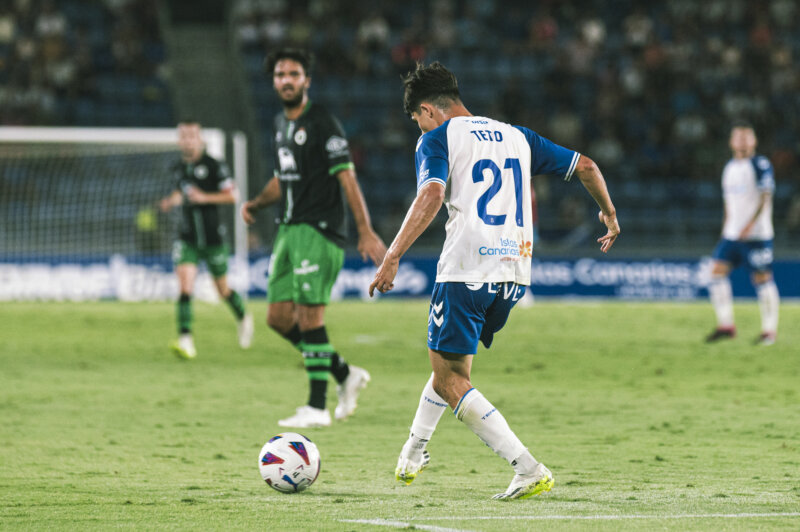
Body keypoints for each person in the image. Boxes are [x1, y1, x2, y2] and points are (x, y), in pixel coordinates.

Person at [369, 62, 620, 499]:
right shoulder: (518, 136)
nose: (418, 129)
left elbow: (430, 193)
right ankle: (414, 450)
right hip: (514, 273)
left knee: (450, 378)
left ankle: (526, 467)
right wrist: (610, 214)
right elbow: (587, 166)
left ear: (428, 111)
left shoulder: (437, 138)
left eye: (416, 120)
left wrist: (392, 256)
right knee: (451, 367)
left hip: (465, 268)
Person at [242, 48, 387, 428]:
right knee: (277, 318)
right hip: (288, 230)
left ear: (307, 80)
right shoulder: (279, 123)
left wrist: (365, 230)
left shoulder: (323, 122)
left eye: (293, 74)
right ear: (273, 81)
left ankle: (317, 407)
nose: (286, 80)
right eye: (279, 74)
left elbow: (347, 177)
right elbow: (282, 177)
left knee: (309, 318)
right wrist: (257, 204)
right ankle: (344, 374)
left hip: (318, 230)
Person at [159, 120, 253, 359]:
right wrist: (172, 201)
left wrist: (204, 197)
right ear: (180, 140)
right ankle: (186, 339)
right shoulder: (178, 168)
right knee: (185, 286)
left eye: (192, 135)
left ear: (200, 139)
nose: (188, 140)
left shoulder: (214, 165)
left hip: (212, 238)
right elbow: (182, 192)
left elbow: (233, 196)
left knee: (222, 290)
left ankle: (243, 316)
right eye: (183, 136)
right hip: (188, 237)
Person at [706, 122, 780, 345]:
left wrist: (750, 224)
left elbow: (766, 196)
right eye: (738, 137)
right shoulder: (729, 168)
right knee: (716, 272)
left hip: (757, 236)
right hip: (732, 235)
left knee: (762, 278)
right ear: (731, 142)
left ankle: (769, 331)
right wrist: (726, 229)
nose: (742, 141)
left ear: (754, 141)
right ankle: (726, 325)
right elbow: (729, 204)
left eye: (747, 137)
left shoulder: (760, 164)